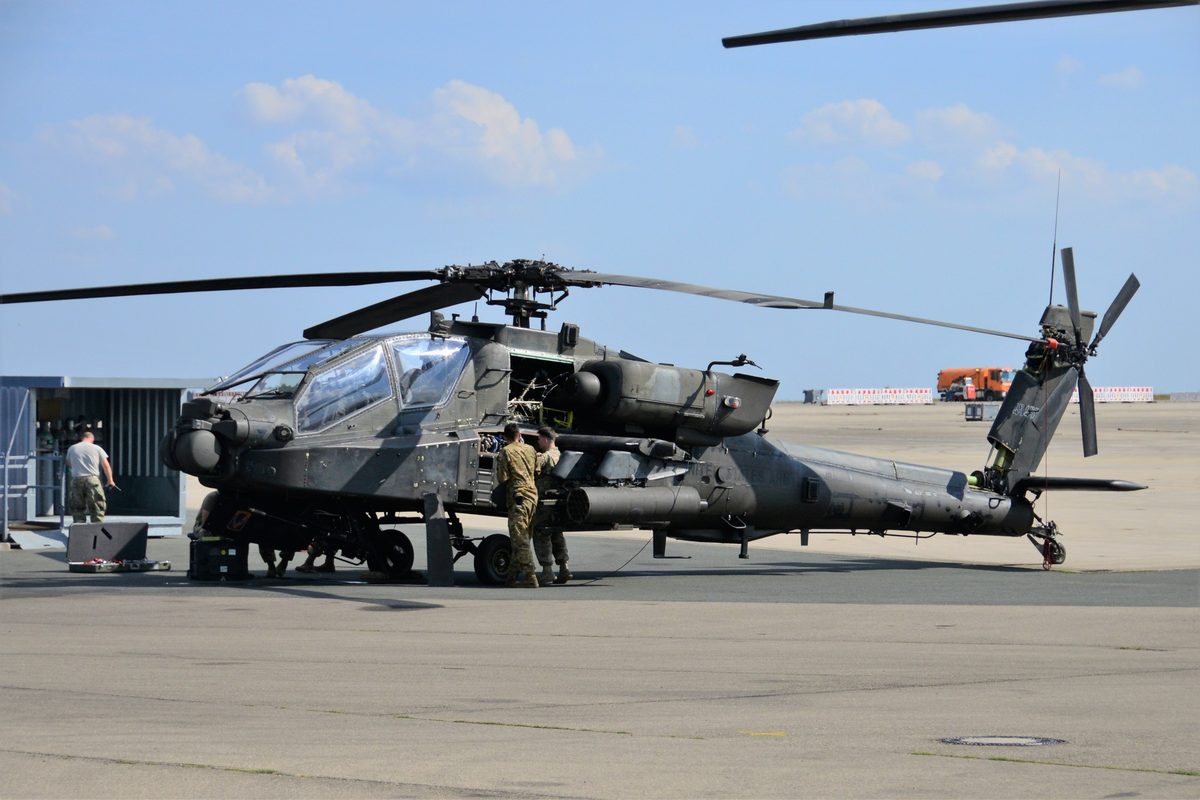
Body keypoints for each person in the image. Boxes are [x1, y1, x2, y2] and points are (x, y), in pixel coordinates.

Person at [494, 422, 539, 587]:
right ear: (519, 435)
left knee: (519, 538)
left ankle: (530, 575)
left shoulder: (506, 451)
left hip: (518, 497)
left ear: (505, 437)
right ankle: (511, 577)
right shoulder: (530, 449)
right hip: (533, 496)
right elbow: (537, 470)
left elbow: (502, 478)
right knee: (522, 537)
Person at [533, 426, 571, 585]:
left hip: (545, 502)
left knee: (541, 533)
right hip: (557, 502)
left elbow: (534, 462)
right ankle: (564, 568)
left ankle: (547, 571)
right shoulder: (561, 454)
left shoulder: (549, 456)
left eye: (539, 439)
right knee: (556, 534)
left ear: (547, 439)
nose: (538, 442)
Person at [65, 431, 115, 523]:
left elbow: (68, 463)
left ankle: (79, 526)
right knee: (97, 505)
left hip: (77, 478)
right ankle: (97, 526)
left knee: (77, 506)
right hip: (92, 479)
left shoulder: (72, 448)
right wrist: (110, 480)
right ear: (92, 439)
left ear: (82, 438)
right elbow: (106, 465)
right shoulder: (97, 448)